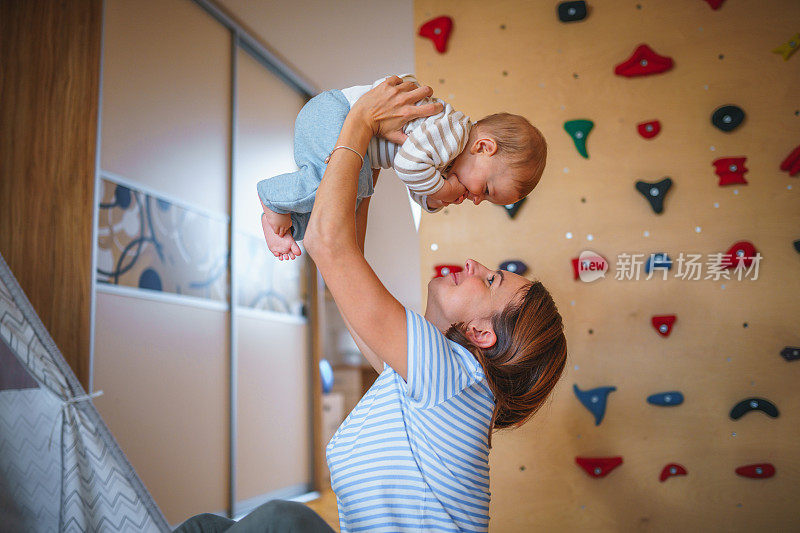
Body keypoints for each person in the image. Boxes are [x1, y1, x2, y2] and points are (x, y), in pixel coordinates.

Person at [175, 77, 566, 533]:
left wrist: (359, 123)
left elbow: (328, 244)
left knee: (281, 521)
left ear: (482, 334)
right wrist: (367, 169)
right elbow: (344, 263)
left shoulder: (453, 379)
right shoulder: (434, 383)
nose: (476, 264)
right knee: (210, 526)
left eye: (492, 279)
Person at [257, 73, 547, 260]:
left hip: (347, 133)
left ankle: (286, 226)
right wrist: (443, 189)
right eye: (485, 189)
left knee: (343, 199)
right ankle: (273, 197)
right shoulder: (454, 132)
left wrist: (433, 200)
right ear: (483, 147)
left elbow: (414, 181)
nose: (476, 198)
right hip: (336, 114)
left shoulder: (450, 158)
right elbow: (409, 166)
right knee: (331, 183)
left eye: (484, 200)